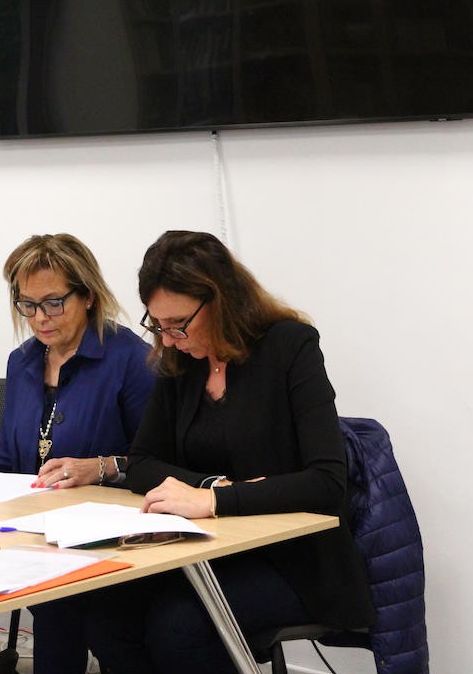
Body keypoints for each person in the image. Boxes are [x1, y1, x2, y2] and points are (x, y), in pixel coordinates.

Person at [81, 230, 374, 673]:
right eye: (158, 324)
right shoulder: (180, 362)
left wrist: (215, 500)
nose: (168, 339)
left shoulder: (290, 347)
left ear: (220, 301)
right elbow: (142, 463)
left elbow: (326, 483)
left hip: (294, 559)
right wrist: (213, 487)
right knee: (104, 610)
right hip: (205, 550)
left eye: (178, 323)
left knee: (178, 626)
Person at [0, 233, 153, 674]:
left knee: (68, 607)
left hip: (113, 542)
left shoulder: (133, 361)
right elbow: (6, 461)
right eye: (27, 305)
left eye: (53, 303)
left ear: (88, 296)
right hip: (38, 533)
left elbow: (160, 464)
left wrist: (99, 468)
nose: (40, 318)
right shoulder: (22, 362)